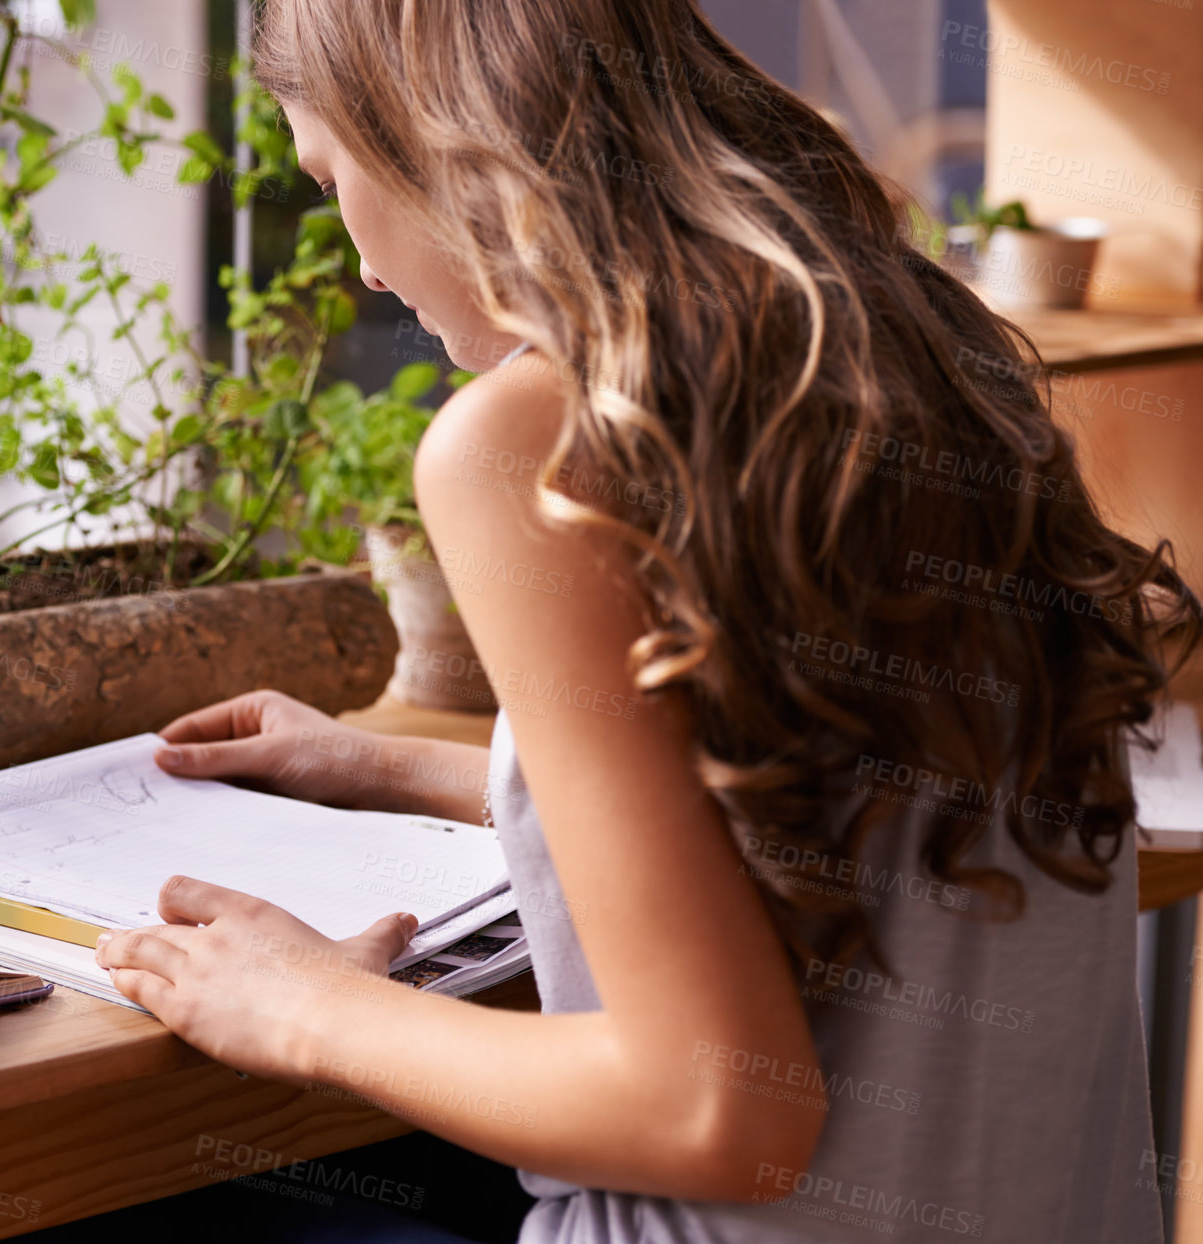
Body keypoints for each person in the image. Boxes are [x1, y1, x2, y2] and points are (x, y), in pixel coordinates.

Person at [93, 2, 1202, 1239]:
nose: (357, 261)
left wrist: (303, 1005)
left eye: (327, 175)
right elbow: (827, 788)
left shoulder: (527, 441)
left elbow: (716, 1111)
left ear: (432, 134)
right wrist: (390, 763)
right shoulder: (920, 348)